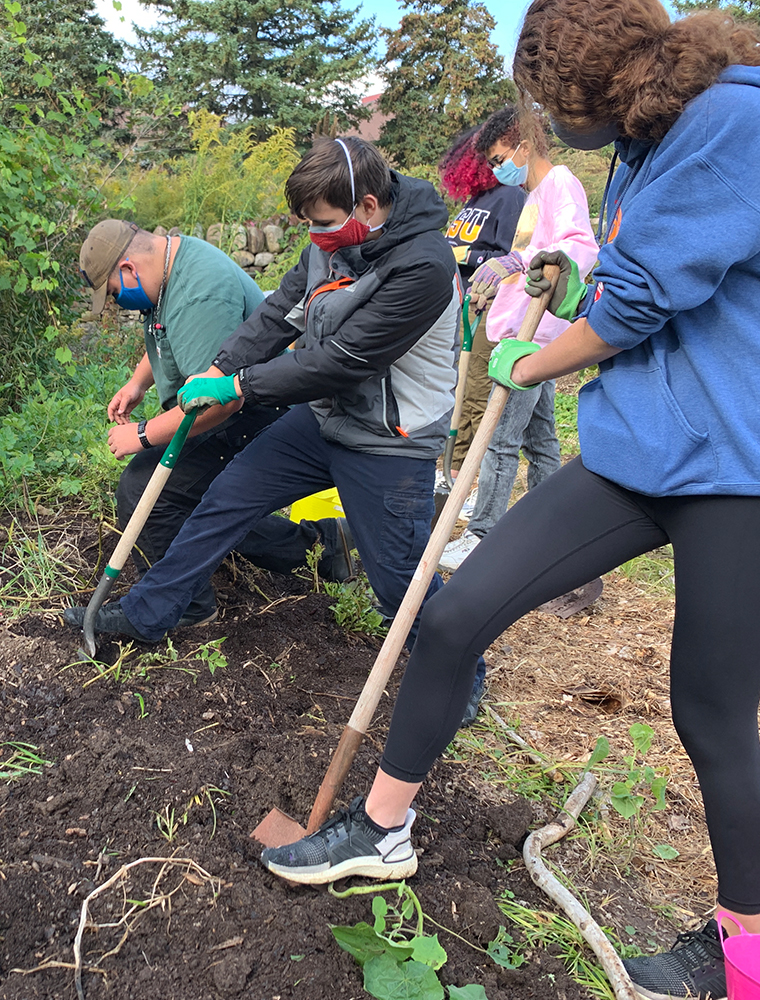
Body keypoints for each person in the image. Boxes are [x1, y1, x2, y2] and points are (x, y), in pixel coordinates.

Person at [260, 4, 760, 999]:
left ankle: (744, 950)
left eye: (549, 102)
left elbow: (650, 298)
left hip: (734, 469)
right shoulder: (646, 139)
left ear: (593, 82)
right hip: (639, 450)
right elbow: (623, 276)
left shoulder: (729, 122)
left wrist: (536, 355)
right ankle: (384, 828)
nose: (544, 122)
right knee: (452, 615)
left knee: (709, 709)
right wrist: (567, 283)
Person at [91, 137, 485, 701]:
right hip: (323, 421)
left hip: (390, 440)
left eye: (321, 223)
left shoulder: (424, 267)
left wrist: (238, 385)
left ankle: (460, 679)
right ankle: (148, 613)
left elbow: (340, 361)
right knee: (224, 498)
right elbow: (279, 313)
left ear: (367, 207)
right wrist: (220, 367)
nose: (313, 237)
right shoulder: (330, 242)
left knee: (398, 578)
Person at [63, 220, 352, 630]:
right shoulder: (165, 270)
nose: (115, 303)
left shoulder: (199, 293)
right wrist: (137, 382)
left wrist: (142, 435)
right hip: (225, 405)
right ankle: (322, 548)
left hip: (253, 411)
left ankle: (186, 606)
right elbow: (163, 334)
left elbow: (217, 403)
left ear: (128, 269)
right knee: (200, 499)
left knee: (144, 488)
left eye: (112, 293)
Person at [439, 107, 598, 572]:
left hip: (533, 337)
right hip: (522, 329)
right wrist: (507, 267)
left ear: (524, 145)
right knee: (542, 439)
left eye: (499, 156)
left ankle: (484, 535)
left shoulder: (560, 182)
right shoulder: (533, 196)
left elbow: (577, 245)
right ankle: (552, 531)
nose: (495, 169)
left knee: (501, 438)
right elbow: (529, 251)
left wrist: (532, 265)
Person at [439, 126, 527, 498]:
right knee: (457, 386)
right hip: (460, 307)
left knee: (476, 391)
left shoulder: (509, 198)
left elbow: (515, 256)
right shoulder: (474, 201)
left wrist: (467, 257)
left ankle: (459, 475)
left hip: (489, 307)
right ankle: (451, 466)